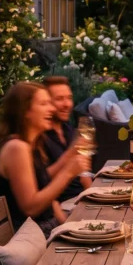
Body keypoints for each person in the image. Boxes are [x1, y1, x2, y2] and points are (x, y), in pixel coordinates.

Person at [0, 81, 88, 236]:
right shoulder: (16, 148)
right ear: (25, 112)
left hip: (48, 227)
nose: (51, 109)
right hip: (33, 236)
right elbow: (30, 207)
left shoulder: (34, 144)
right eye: (43, 104)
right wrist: (68, 172)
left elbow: (50, 198)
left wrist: (69, 226)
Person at [41, 75, 93, 203]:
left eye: (69, 98)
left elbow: (83, 173)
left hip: (81, 199)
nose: (67, 104)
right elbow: (40, 181)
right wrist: (70, 154)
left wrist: (93, 195)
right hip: (63, 205)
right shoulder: (40, 136)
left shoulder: (67, 128)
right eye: (59, 99)